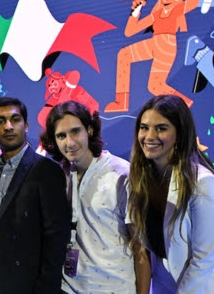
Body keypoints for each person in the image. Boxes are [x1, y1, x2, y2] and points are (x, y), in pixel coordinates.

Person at [127, 95, 214, 293]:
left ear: (180, 134)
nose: (149, 136)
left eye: (161, 128)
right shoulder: (138, 179)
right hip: (164, 284)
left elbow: (203, 259)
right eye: (144, 127)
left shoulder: (202, 182)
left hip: (205, 285)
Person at [40, 101, 150, 293]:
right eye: (61, 136)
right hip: (68, 287)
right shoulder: (60, 176)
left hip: (114, 288)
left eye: (75, 131)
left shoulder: (121, 175)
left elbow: (141, 250)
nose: (70, 142)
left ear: (89, 130)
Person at [0, 97, 70, 294]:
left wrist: (45, 288)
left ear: (26, 126)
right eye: (0, 121)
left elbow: (56, 238)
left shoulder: (47, 170)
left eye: (15, 119)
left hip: (31, 286)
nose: (8, 126)